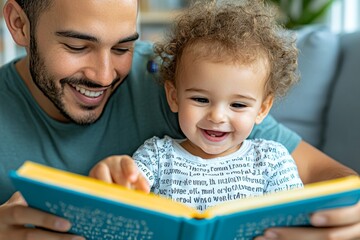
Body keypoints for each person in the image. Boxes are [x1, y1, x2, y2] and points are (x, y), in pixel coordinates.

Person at [0, 0, 358, 239]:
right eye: (77, 47)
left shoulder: (181, 78)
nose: (105, 75)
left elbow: (336, 179)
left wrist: (344, 221)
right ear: (19, 24)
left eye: (123, 47)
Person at [89, 0, 305, 213]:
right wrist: (116, 179)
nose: (217, 116)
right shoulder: (156, 156)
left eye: (238, 104)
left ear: (262, 109)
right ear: (174, 97)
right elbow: (126, 199)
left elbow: (293, 219)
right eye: (201, 100)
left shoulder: (272, 160)